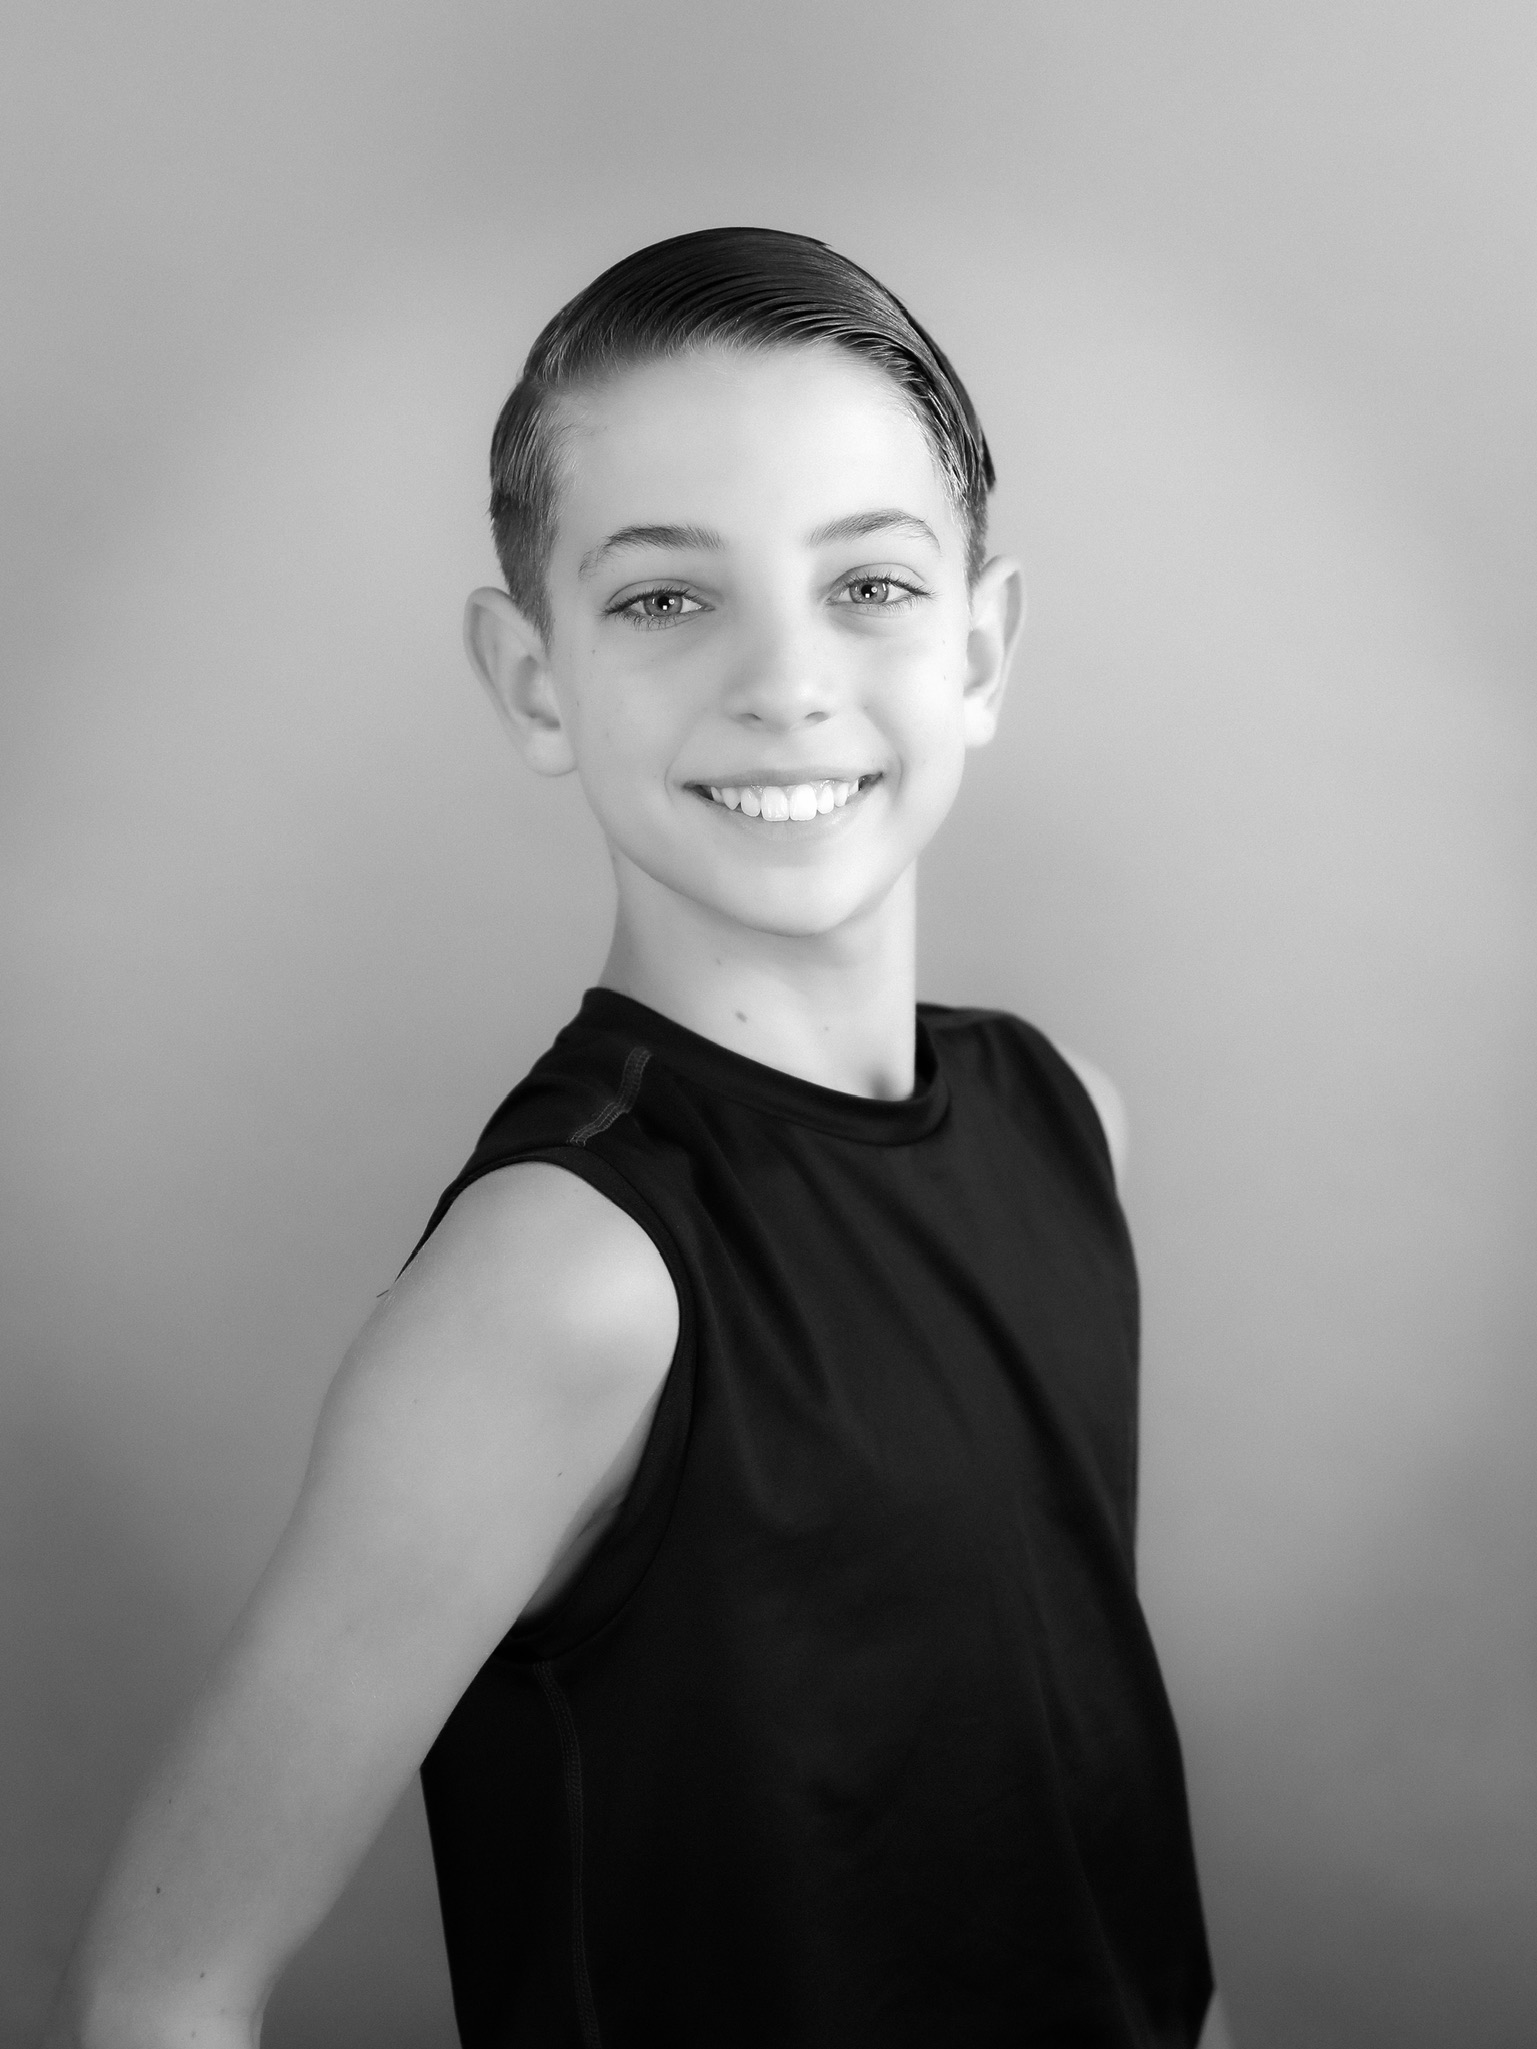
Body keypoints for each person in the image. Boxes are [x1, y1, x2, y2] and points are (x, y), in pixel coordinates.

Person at [46, 227, 1224, 2047]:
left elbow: (1073, 1826)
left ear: (980, 649)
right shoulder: (570, 1275)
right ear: (533, 680)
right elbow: (156, 1987)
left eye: (870, 584)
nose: (785, 680)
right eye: (667, 598)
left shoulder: (1068, 1120)